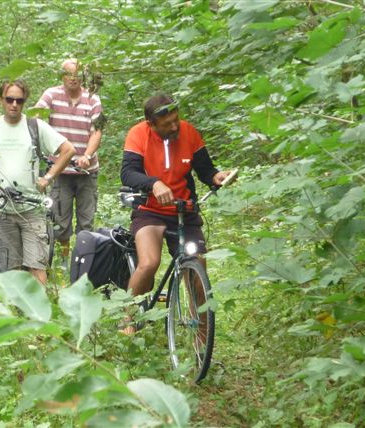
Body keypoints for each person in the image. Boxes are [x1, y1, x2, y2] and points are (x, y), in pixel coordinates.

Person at [120, 93, 233, 333]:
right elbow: (128, 173)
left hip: (184, 211)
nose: (174, 127)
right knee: (149, 262)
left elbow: (205, 169)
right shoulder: (138, 134)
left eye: (176, 120)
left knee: (198, 271)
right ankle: (127, 319)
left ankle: (202, 341)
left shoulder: (188, 132)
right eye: (166, 124)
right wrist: (153, 183)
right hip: (150, 211)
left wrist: (216, 176)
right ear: (151, 124)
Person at [0, 79, 75, 284]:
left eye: (19, 100)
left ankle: (38, 306)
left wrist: (48, 178)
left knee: (37, 267)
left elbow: (68, 150)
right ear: (1, 100)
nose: (14, 104)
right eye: (9, 99)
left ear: (24, 102)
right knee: (10, 271)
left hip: (33, 209)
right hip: (2, 209)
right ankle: (12, 305)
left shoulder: (35, 126)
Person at [35, 58, 105, 257]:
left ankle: (83, 263)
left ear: (82, 77)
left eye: (76, 75)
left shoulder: (93, 98)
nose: (72, 79)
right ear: (61, 76)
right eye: (68, 74)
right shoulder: (51, 95)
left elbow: (97, 131)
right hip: (60, 170)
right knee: (60, 223)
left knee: (86, 224)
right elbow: (35, 118)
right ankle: (63, 263)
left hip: (86, 171)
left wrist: (87, 155)